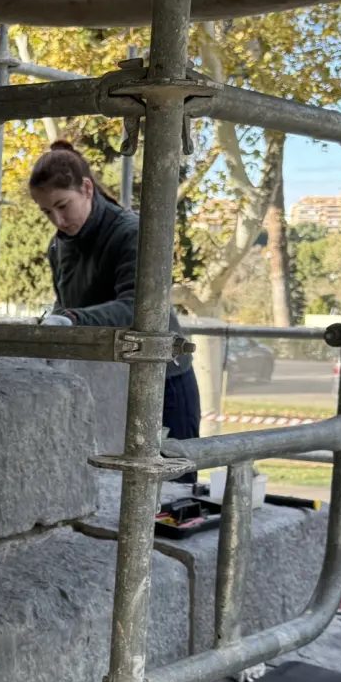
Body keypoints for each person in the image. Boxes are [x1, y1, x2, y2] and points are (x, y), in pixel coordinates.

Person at [28, 142, 200, 477]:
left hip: (163, 382)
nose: (57, 220)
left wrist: (71, 320)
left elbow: (138, 308)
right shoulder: (58, 247)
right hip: (108, 381)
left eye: (63, 205)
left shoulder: (132, 233)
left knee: (174, 492)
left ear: (87, 188)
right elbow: (65, 305)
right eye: (47, 212)